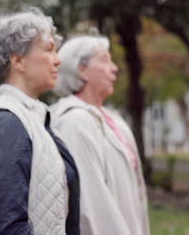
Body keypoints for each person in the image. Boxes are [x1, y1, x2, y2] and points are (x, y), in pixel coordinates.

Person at [0, 9, 80, 235]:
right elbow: (7, 227)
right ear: (18, 60)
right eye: (49, 49)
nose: (58, 60)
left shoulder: (35, 118)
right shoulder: (7, 122)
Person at [51, 35, 149, 235]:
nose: (114, 68)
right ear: (82, 69)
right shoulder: (74, 123)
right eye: (105, 60)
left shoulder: (115, 121)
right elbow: (91, 205)